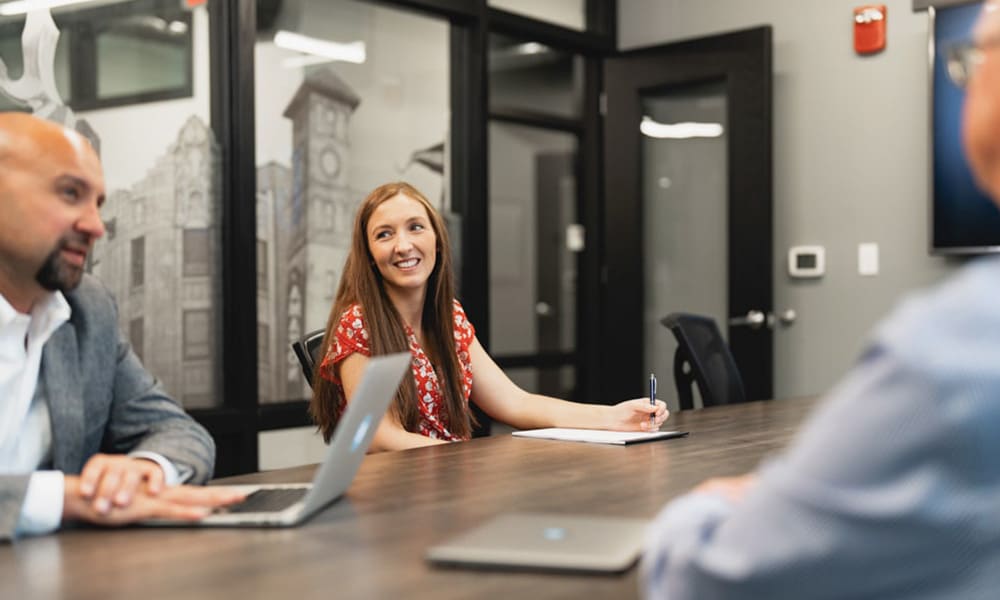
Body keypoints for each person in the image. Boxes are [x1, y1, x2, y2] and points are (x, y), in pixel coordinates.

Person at [642, 2, 1000, 598]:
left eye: (979, 58)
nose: (969, 81)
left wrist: (704, 508)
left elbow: (713, 579)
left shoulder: (956, 350)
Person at [0, 113, 242, 542]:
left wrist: (142, 472)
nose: (95, 226)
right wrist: (66, 499)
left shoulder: (87, 308)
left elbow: (179, 432)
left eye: (98, 204)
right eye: (70, 193)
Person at [310, 181, 668, 450]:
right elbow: (378, 435)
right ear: (370, 254)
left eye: (415, 227)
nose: (403, 245)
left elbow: (515, 402)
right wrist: (466, 460)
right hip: (393, 497)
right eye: (384, 235)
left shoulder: (448, 317)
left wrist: (612, 417)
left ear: (437, 239)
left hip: (451, 483)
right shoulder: (358, 323)